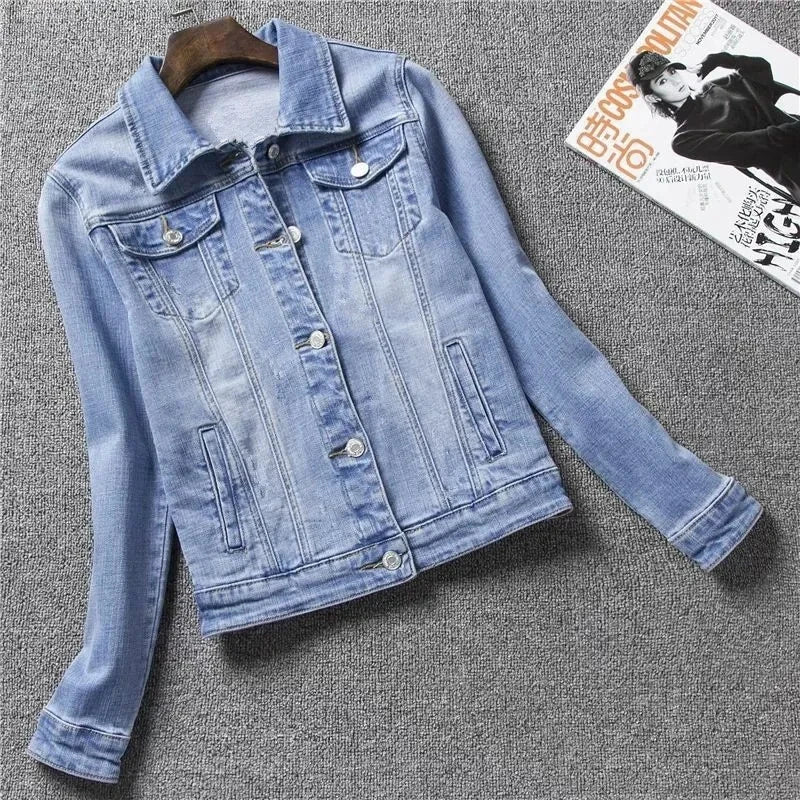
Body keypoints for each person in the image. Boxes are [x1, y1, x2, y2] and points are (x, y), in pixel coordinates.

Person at [626, 50, 800, 204]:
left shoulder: (716, 87)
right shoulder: (685, 139)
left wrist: (722, 59)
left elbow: (761, 72)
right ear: (653, 97)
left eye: (672, 72)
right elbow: (763, 142)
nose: (675, 81)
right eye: (663, 81)